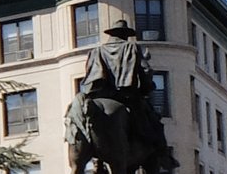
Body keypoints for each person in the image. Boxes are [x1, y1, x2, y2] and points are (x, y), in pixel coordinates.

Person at [70, 20, 166, 158]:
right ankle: (164, 155)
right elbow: (146, 71)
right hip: (127, 97)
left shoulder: (97, 51)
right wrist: (147, 87)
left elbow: (90, 75)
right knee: (155, 124)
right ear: (124, 34)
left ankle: (97, 160)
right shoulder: (132, 48)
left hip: (100, 96)